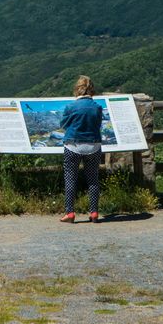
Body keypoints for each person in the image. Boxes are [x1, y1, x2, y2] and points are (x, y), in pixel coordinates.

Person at [60, 75, 105, 224]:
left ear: (77, 89)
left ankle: (70, 213)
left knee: (70, 179)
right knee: (93, 180)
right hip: (94, 146)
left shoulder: (70, 107)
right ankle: (94, 212)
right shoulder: (97, 107)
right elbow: (98, 124)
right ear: (91, 90)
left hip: (72, 146)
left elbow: (63, 124)